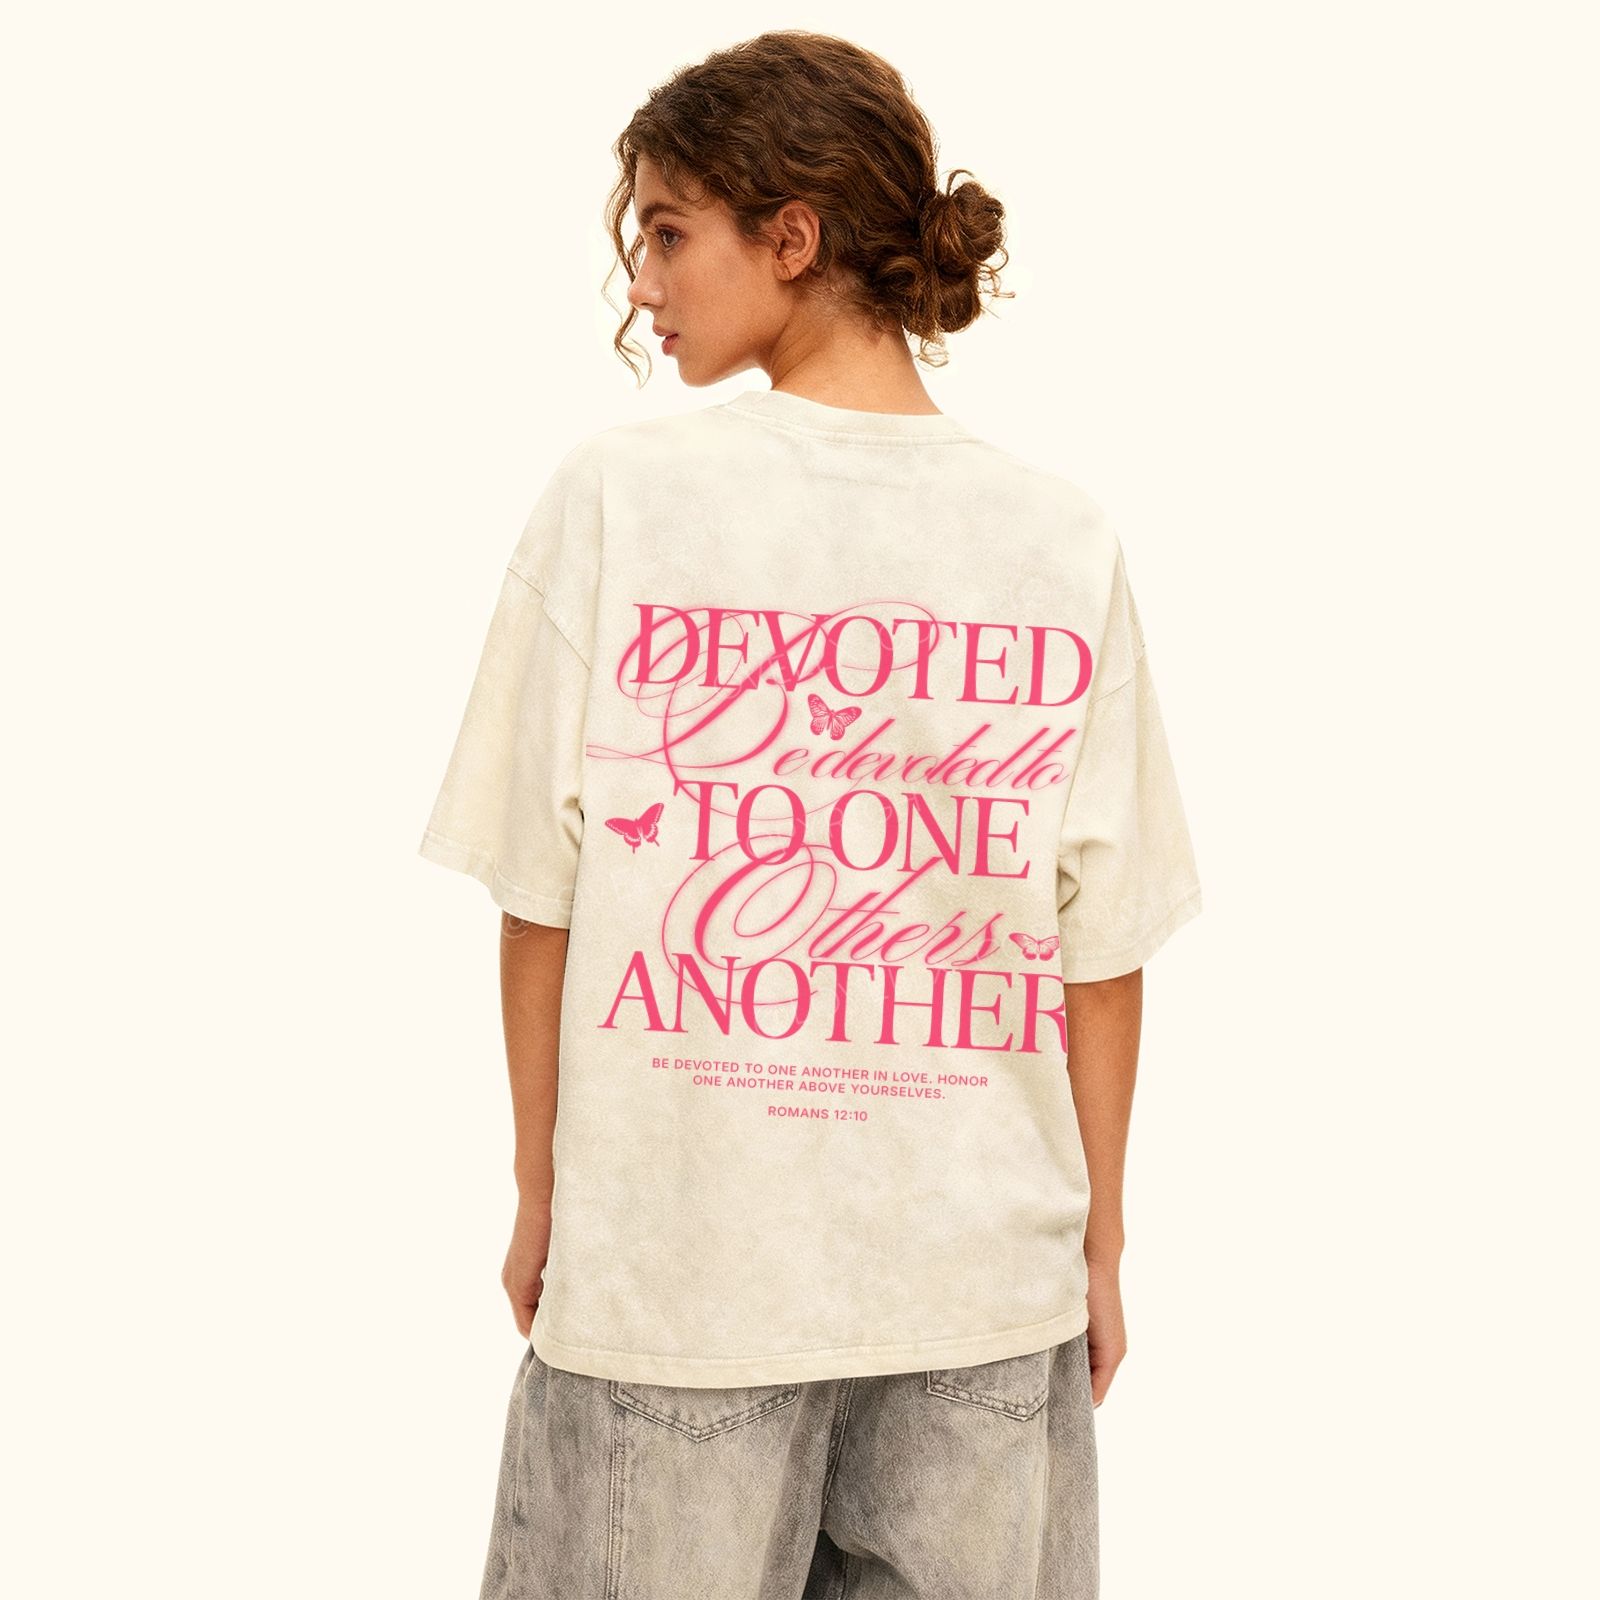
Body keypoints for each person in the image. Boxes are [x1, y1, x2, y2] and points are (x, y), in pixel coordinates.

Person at [418, 29, 1202, 1600]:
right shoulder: (1058, 536)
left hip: (682, 1275)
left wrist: (545, 1193)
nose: (643, 282)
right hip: (983, 1289)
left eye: (667, 232)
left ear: (791, 236)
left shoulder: (618, 499)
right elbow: (1101, 947)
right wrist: (1099, 1247)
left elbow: (540, 898)